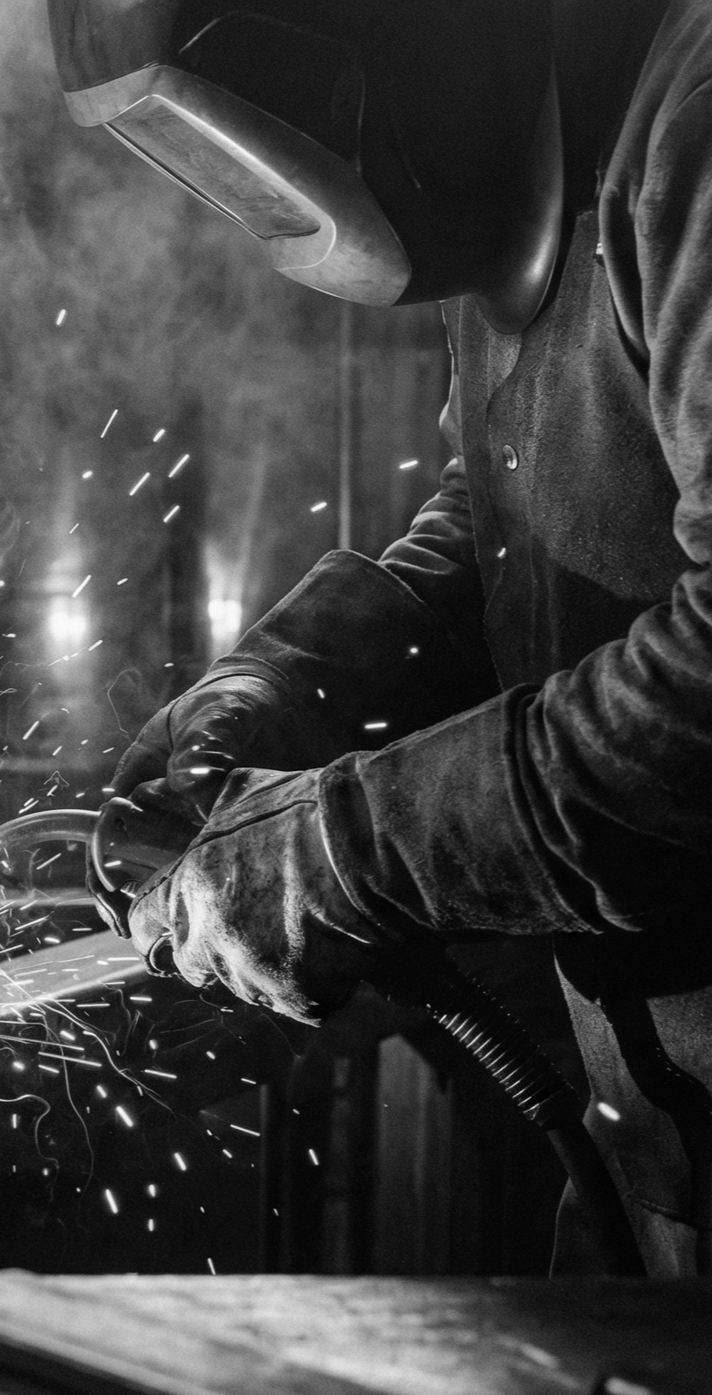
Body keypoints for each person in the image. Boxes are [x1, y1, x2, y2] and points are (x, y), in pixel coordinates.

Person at [49, 0, 712, 1277]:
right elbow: (517, 518)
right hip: (656, 1183)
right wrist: (288, 687)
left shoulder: (690, 127)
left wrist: (343, 852)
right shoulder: (544, 147)